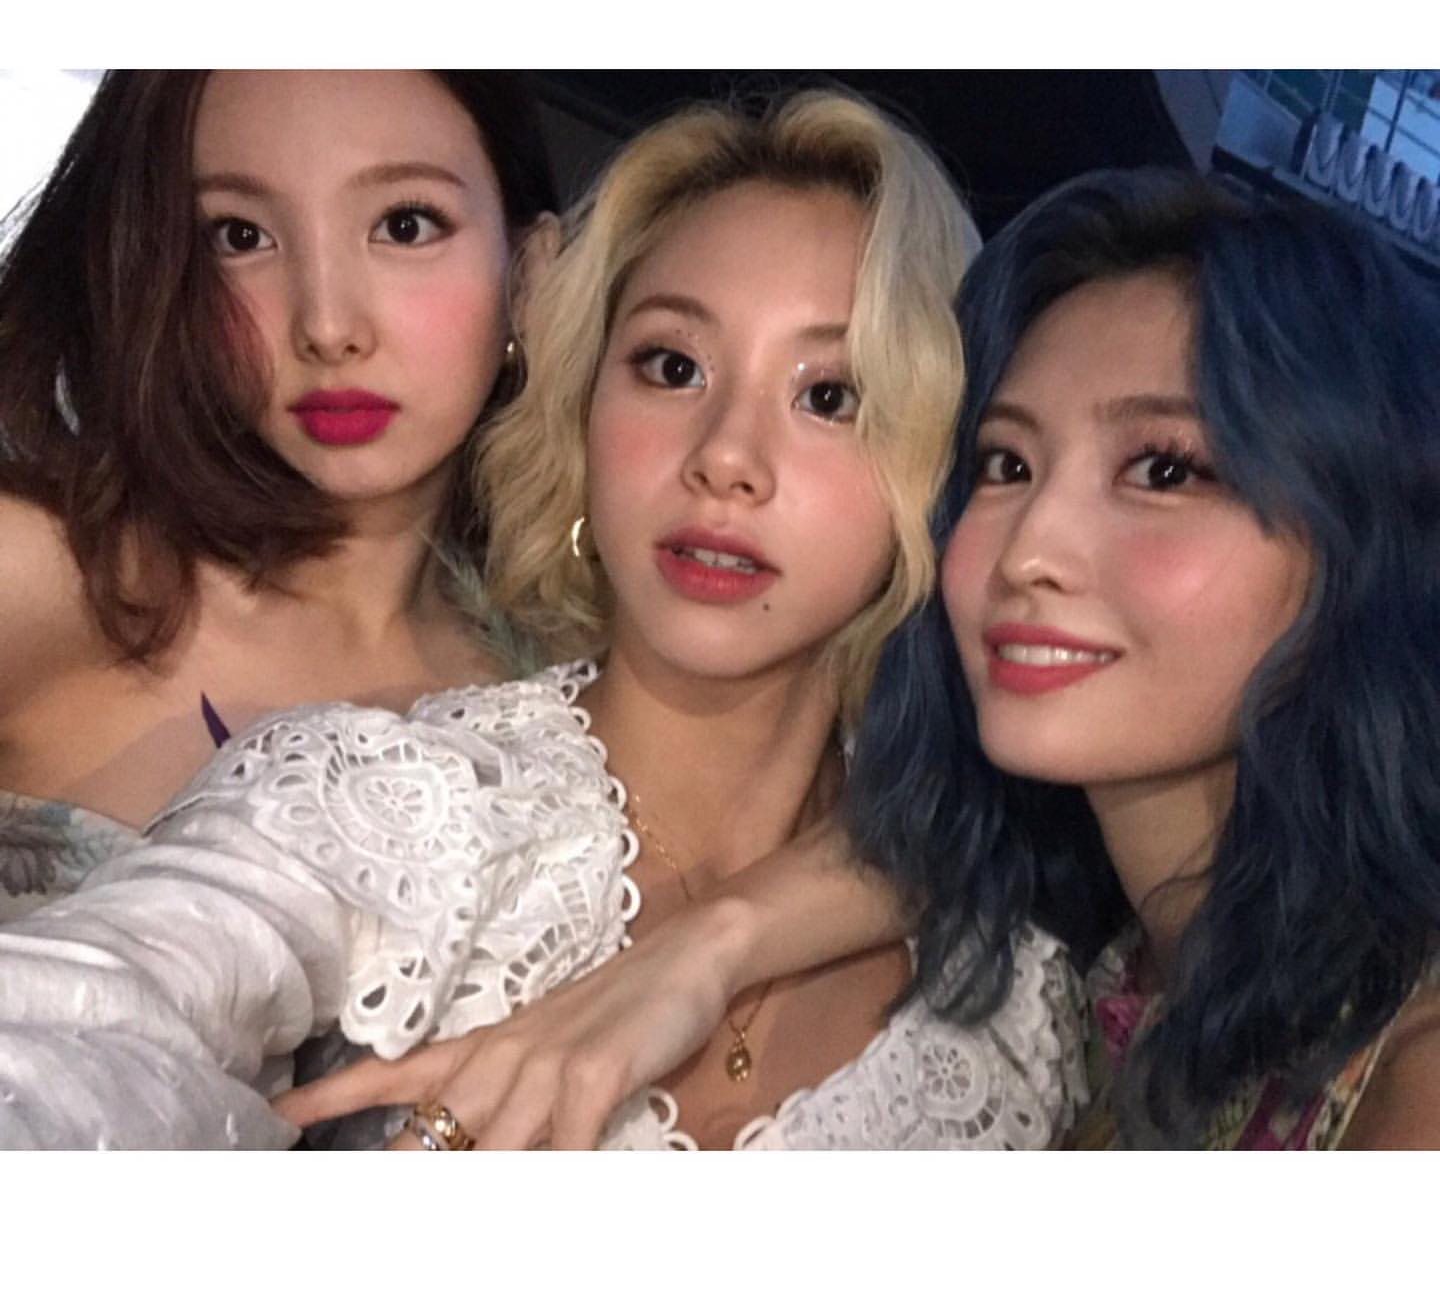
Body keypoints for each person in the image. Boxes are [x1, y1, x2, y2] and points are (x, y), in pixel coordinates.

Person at [0, 90, 1088, 1150]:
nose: (725, 458)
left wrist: (725, 937)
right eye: (672, 366)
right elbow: (110, 1009)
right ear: (587, 399)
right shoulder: (386, 790)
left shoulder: (1018, 992)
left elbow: (967, 820)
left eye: (830, 395)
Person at [849, 168, 1440, 1148]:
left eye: (1164, 470)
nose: (1030, 551)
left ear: (1365, 545)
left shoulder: (1409, 1079)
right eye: (1006, 464)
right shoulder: (1097, 965)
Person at [0, 70, 556, 915]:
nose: (327, 327)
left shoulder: (554, 689)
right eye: (239, 236)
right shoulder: (56, 574)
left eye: (405, 225)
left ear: (531, 269)